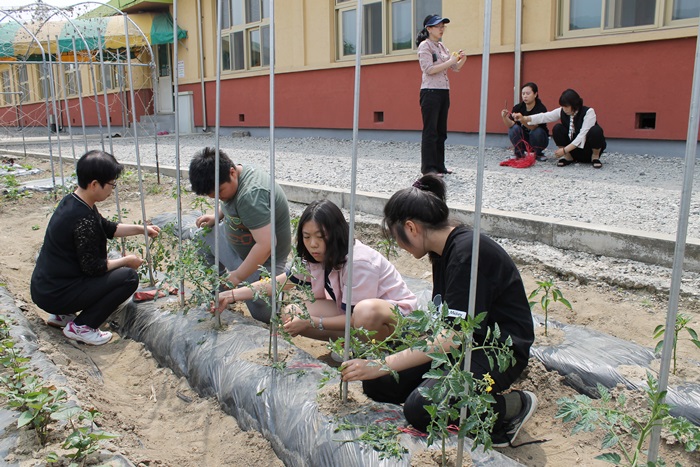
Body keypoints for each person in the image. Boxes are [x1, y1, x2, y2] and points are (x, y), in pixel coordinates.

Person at [340, 175, 537, 447]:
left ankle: (512, 406)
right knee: (378, 384)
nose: (399, 246)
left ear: (410, 227)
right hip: (462, 345)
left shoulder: (467, 253)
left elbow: (452, 336)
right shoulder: (441, 252)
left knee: (420, 410)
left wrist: (380, 363)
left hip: (495, 352)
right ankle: (437, 393)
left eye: (397, 237)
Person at [215, 200, 417, 342]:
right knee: (292, 313)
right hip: (353, 314)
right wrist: (232, 294)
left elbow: (356, 318)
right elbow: (280, 282)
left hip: (396, 320)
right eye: (306, 236)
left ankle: (372, 351)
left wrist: (310, 322)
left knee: (363, 313)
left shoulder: (359, 262)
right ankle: (349, 344)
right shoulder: (315, 258)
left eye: (321, 236)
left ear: (336, 233)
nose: (313, 244)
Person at [30, 150, 160, 346]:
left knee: (108, 273)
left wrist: (141, 229)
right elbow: (94, 268)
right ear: (94, 184)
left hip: (46, 289)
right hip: (56, 294)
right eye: (111, 184)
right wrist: (127, 261)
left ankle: (61, 315)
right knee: (128, 278)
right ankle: (82, 326)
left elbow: (106, 227)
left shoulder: (74, 202)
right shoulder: (82, 218)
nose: (112, 189)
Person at [189, 147, 291, 324]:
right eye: (213, 196)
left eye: (219, 192)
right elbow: (230, 201)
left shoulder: (251, 196)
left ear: (232, 172)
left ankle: (277, 288)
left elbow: (266, 245)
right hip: (239, 247)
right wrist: (218, 215)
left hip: (266, 260)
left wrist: (236, 277)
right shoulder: (236, 175)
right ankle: (220, 289)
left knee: (264, 313)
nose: (218, 198)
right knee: (202, 237)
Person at [416, 14, 466, 176]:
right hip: (430, 92)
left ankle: (439, 165)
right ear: (429, 29)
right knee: (430, 131)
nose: (441, 29)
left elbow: (455, 68)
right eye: (438, 26)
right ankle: (428, 168)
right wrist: (451, 61)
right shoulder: (425, 46)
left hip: (443, 92)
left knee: (441, 131)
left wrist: (460, 60)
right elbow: (429, 69)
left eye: (443, 26)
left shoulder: (442, 47)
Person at [513, 88, 607, 168]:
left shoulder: (589, 112)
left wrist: (564, 149)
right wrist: (524, 118)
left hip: (587, 148)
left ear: (574, 105)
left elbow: (582, 135)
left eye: (566, 106)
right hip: (572, 150)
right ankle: (568, 157)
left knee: (596, 131)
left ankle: (595, 157)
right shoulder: (562, 111)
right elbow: (545, 116)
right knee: (557, 128)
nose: (564, 109)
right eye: (563, 106)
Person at [501, 82, 549, 162]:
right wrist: (504, 117)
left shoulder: (540, 108)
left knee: (537, 131)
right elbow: (511, 125)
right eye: (523, 94)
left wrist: (522, 119)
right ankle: (519, 153)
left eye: (528, 93)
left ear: (535, 94)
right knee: (513, 129)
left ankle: (538, 153)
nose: (525, 96)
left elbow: (534, 127)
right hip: (524, 139)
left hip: (539, 139)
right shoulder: (518, 107)